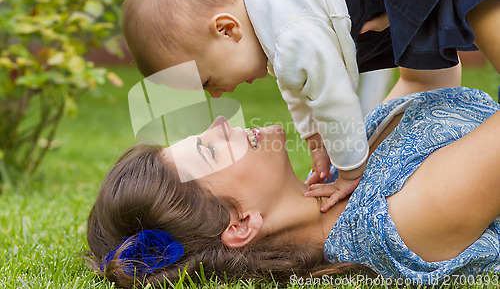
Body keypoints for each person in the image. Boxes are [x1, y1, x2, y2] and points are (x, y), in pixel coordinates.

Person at [121, 0, 475, 211]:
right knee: (429, 53)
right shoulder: (264, 6)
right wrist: (315, 137)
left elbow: (333, 97)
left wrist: (350, 171)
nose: (218, 94)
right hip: (357, 8)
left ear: (227, 29)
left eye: (208, 81)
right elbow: (295, 85)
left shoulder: (291, 34)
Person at [87, 86, 500, 288]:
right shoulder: (396, 220)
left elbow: (425, 75)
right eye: (210, 151)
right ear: (241, 223)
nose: (219, 124)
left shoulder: (347, 164)